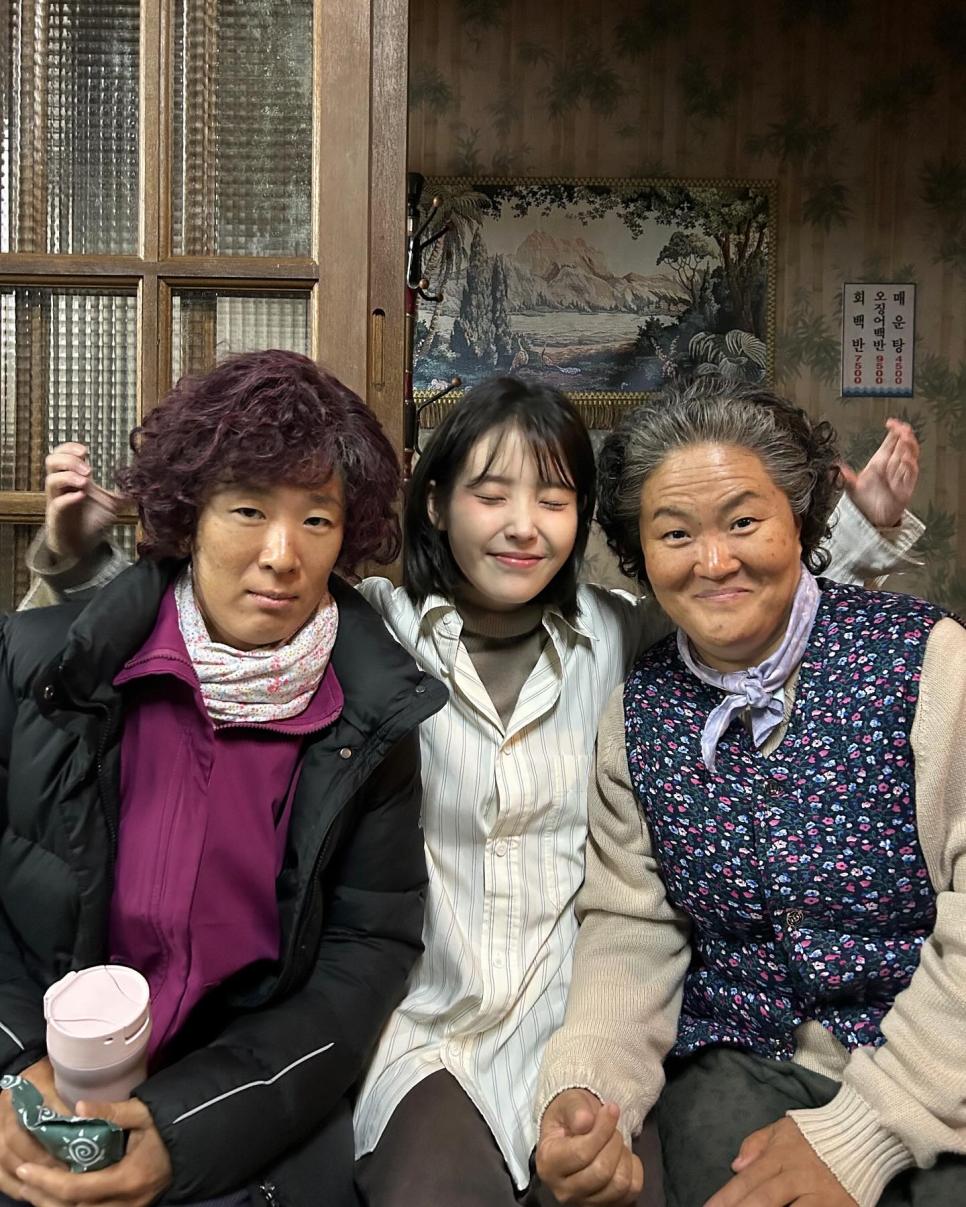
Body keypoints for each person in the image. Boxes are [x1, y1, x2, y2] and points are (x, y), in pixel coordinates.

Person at [21, 375, 923, 1206]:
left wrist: (857, 537)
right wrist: (74, 560)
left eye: (554, 499)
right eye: (491, 494)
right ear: (437, 502)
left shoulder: (621, 637)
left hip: (585, 1023)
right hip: (418, 1020)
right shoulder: (375, 631)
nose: (523, 526)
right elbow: (210, 632)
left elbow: (738, 612)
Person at [0, 350, 447, 1207]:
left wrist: (185, 1129)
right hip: (40, 1080)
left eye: (317, 519)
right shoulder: (44, 666)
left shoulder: (376, 715)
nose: (282, 555)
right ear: (189, 516)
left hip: (244, 1106)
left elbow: (366, 955)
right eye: (248, 509)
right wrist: (16, 1065)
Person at [535, 380, 966, 1207]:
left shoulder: (925, 661)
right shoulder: (642, 710)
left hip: (934, 1062)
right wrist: (590, 1087)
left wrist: (863, 1132)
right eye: (675, 533)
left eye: (742, 522)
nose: (713, 562)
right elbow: (631, 925)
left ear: (800, 521)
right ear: (640, 553)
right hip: (739, 1065)